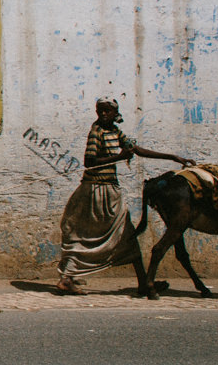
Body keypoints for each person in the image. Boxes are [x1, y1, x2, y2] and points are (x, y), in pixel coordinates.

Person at [55, 97, 190, 295]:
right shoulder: (97, 132)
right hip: (97, 191)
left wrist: (172, 157)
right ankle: (68, 278)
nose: (103, 114)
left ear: (113, 112)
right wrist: (119, 157)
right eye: (100, 110)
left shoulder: (114, 131)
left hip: (108, 191)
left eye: (107, 111)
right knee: (110, 234)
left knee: (110, 234)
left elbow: (135, 149)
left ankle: (143, 281)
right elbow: (89, 161)